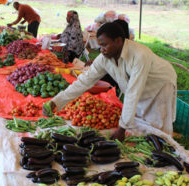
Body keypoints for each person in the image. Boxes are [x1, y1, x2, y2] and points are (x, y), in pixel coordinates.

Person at [43, 22, 177, 141]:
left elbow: (132, 92)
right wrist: (57, 101)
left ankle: (166, 148)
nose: (101, 50)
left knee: (158, 123)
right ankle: (148, 140)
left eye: (105, 44)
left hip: (161, 83)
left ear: (118, 41)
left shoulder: (139, 56)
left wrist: (122, 129)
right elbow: (83, 82)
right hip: (142, 86)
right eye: (100, 46)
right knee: (141, 120)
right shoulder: (104, 58)